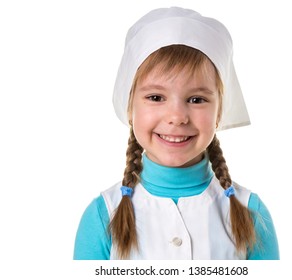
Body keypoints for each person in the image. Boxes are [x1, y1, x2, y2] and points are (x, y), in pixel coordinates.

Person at [74, 6, 279, 260]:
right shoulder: (103, 216)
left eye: (196, 99)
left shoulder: (250, 213)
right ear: (130, 107)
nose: (177, 116)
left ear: (219, 112)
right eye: (156, 97)